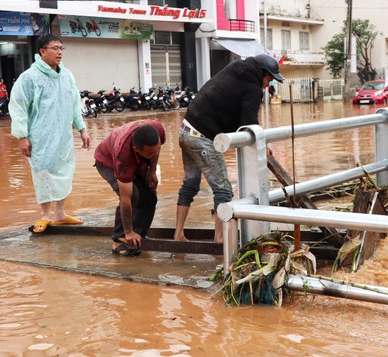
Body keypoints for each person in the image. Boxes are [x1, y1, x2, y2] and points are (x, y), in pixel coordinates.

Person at [174, 53, 285, 243]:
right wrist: (262, 147)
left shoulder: (234, 69)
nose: (267, 85)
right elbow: (249, 122)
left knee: (190, 185)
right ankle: (220, 240)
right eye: (268, 79)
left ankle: (178, 235)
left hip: (186, 130)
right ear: (262, 73)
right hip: (202, 137)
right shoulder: (252, 88)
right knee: (224, 191)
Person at [9, 34, 90, 232]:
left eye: (62, 48)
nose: (60, 52)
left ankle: (61, 213)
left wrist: (82, 129)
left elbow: (74, 104)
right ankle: (46, 215)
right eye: (55, 48)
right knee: (43, 172)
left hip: (63, 136)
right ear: (42, 51)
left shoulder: (67, 75)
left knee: (64, 171)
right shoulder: (29, 77)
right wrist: (22, 137)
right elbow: (18, 107)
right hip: (40, 137)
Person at [94, 120, 165, 256]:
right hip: (107, 162)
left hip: (138, 161)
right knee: (133, 195)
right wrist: (128, 231)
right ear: (136, 150)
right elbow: (125, 198)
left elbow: (156, 150)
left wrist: (152, 171)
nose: (155, 154)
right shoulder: (123, 155)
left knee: (150, 195)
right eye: (151, 152)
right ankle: (119, 239)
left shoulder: (158, 130)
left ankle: (139, 235)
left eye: (157, 149)